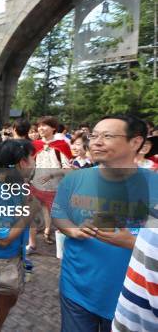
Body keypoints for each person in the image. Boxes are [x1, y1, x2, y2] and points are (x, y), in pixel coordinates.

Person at [52, 114, 156, 331]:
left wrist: (132, 242)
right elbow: (59, 215)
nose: (96, 142)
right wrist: (73, 230)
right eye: (94, 135)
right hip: (76, 290)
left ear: (136, 142)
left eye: (107, 136)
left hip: (130, 298)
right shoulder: (74, 179)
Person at [0, 140, 41, 332]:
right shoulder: (1, 192)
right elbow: (2, 238)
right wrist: (29, 213)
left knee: (1, 309)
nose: (35, 164)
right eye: (33, 159)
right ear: (22, 162)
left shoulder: (13, 185)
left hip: (8, 260)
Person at [27, 116, 72, 252]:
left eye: (44, 125)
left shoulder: (61, 145)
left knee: (60, 220)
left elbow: (68, 169)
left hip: (55, 188)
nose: (40, 128)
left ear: (53, 128)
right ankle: (32, 244)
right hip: (35, 186)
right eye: (39, 125)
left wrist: (51, 174)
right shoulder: (35, 145)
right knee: (29, 215)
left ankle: (64, 248)